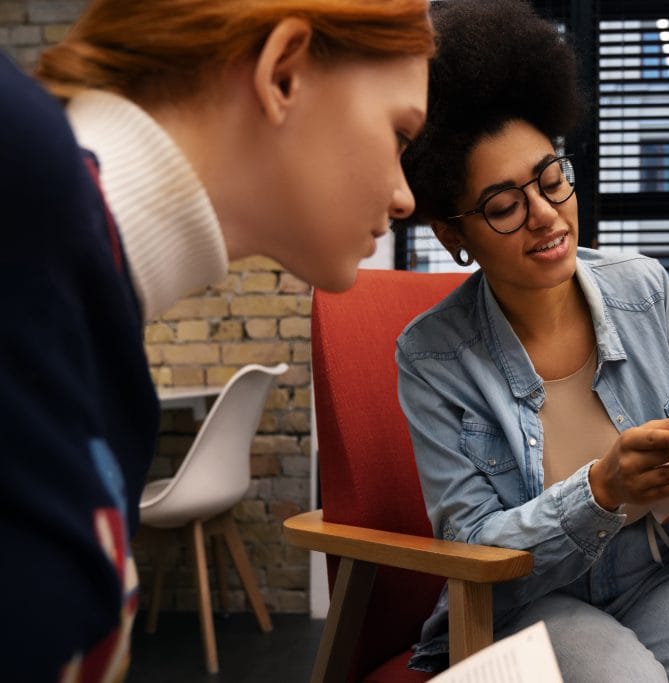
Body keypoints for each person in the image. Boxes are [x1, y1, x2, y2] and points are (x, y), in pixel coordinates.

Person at [0, 1, 432, 678]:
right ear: (283, 74)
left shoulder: (106, 361)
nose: (406, 195)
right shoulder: (22, 167)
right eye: (401, 134)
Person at [394, 1, 669, 680]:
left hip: (661, 571)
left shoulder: (644, 287)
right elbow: (472, 545)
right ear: (454, 235)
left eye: (551, 178)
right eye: (504, 207)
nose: (545, 215)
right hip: (531, 602)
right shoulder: (432, 356)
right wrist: (602, 486)